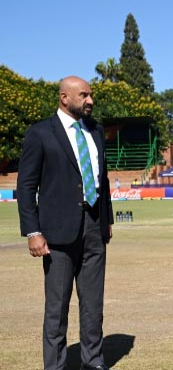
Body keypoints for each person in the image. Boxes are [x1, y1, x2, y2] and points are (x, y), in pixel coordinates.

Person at [17, 75, 114, 370]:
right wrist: (33, 231)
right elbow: (26, 186)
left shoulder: (96, 130)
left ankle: (93, 362)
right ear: (64, 98)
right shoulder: (40, 133)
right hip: (56, 233)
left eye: (90, 95)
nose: (90, 100)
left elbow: (102, 178)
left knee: (93, 305)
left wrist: (106, 220)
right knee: (57, 308)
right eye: (84, 95)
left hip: (94, 227)